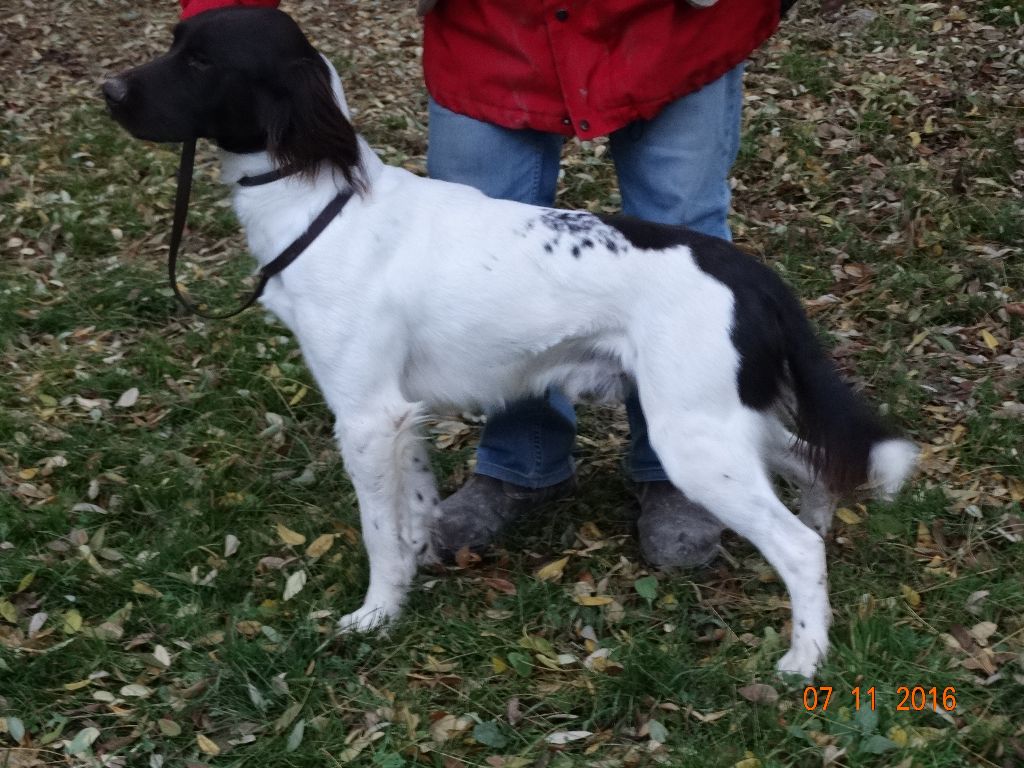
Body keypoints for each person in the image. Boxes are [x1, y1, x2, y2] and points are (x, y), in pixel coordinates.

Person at [176, 0, 793, 568]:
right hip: (491, 33)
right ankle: (523, 465)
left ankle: (680, 470)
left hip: (671, 28)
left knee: (681, 244)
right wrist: (220, 24)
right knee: (480, 278)